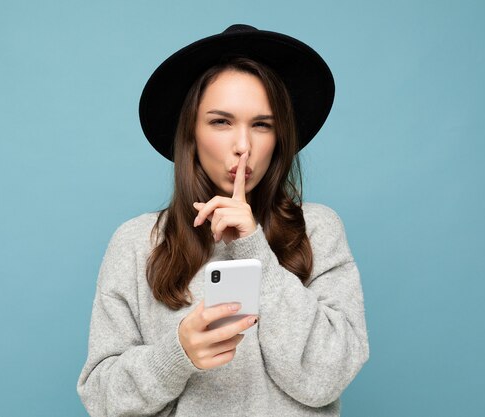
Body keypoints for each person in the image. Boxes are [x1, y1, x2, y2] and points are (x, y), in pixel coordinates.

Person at [77, 24, 369, 416]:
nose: (243, 146)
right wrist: (176, 354)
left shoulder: (317, 230)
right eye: (221, 122)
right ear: (191, 133)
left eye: (262, 125)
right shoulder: (137, 242)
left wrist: (255, 249)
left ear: (279, 136)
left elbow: (326, 378)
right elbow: (101, 398)